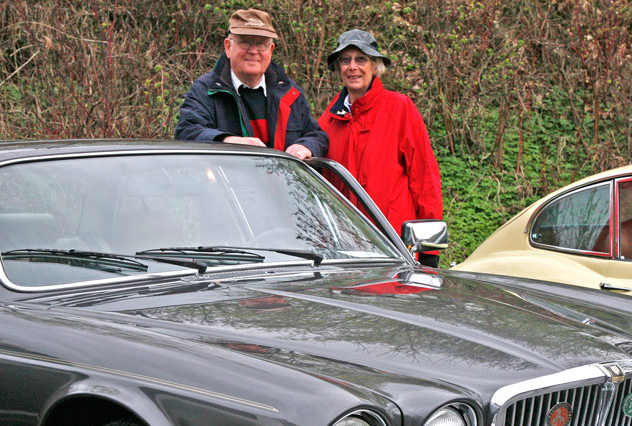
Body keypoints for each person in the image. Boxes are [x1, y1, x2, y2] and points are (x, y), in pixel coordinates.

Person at [318, 29, 443, 265]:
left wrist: (429, 249)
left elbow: (424, 179)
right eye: (345, 60)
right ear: (338, 68)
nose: (352, 67)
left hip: (395, 248)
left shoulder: (399, 108)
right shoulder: (328, 121)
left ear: (375, 66)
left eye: (361, 59)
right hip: (344, 253)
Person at [173, 8, 327, 160]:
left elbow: (317, 135)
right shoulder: (205, 91)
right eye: (245, 42)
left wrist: (306, 146)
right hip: (226, 184)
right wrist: (229, 141)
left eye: (261, 44)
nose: (253, 51)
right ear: (228, 47)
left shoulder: (290, 93)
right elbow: (187, 132)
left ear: (271, 50)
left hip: (278, 184)